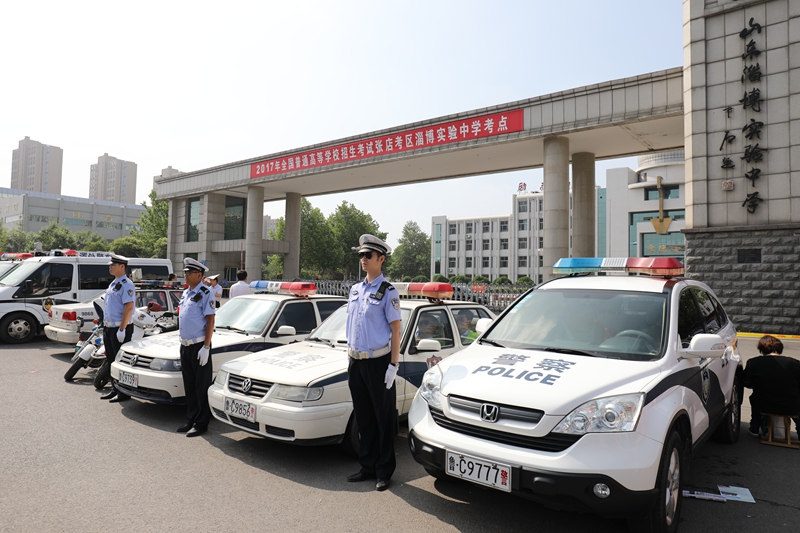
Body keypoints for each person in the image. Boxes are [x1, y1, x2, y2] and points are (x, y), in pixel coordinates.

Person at [345, 234, 401, 492]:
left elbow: (396, 331)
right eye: (361, 255)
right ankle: (367, 466)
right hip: (356, 362)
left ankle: (384, 471)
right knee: (364, 417)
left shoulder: (388, 291)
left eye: (368, 255)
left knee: (383, 419)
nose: (363, 259)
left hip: (379, 363)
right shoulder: (355, 290)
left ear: (381, 259)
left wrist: (393, 366)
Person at [176, 258, 216, 437]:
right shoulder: (186, 293)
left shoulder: (206, 292)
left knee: (201, 386)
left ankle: (201, 423)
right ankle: (191, 419)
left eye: (189, 273)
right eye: (185, 272)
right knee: (189, 385)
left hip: (199, 345)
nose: (185, 275)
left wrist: (206, 347)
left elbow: (210, 320)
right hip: (185, 345)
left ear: (199, 275)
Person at [742, 335, 800, 437]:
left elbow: (747, 383)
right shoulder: (794, 363)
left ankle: (755, 427)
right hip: (790, 405)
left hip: (763, 404)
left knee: (755, 398)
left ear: (761, 349)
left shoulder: (754, 362)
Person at [100, 254, 135, 402]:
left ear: (122, 267)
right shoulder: (114, 283)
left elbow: (129, 307)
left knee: (120, 362)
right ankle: (115, 388)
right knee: (111, 360)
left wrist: (122, 329)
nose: (110, 267)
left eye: (113, 265)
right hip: (109, 328)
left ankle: (123, 392)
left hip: (119, 328)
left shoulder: (126, 284)